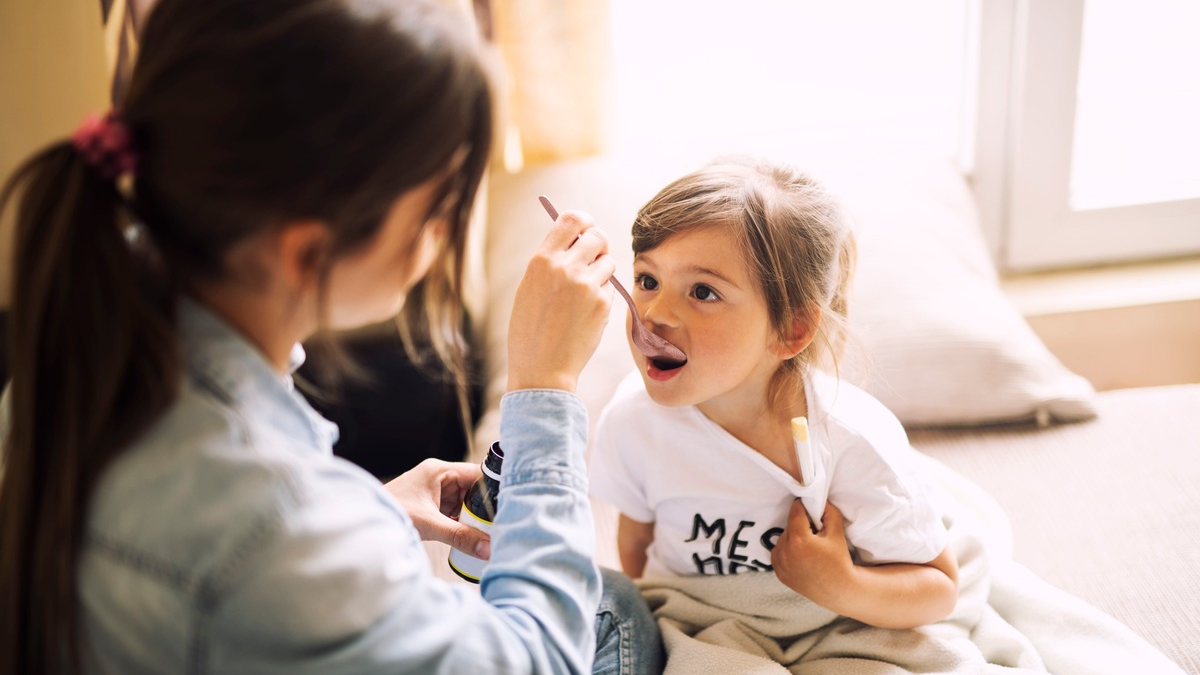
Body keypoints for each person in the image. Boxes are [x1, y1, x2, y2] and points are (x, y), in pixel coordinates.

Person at [0, 0, 663, 673]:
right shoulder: (271, 522)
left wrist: (362, 509)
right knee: (612, 616)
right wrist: (545, 387)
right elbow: (544, 659)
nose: (442, 238)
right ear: (307, 252)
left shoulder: (93, 322)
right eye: (436, 211)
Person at [590, 157, 960, 631]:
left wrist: (841, 585)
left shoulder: (854, 443)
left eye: (702, 292)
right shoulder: (631, 421)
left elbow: (939, 590)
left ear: (791, 329)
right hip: (694, 620)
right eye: (648, 280)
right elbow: (637, 548)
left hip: (829, 622)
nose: (654, 314)